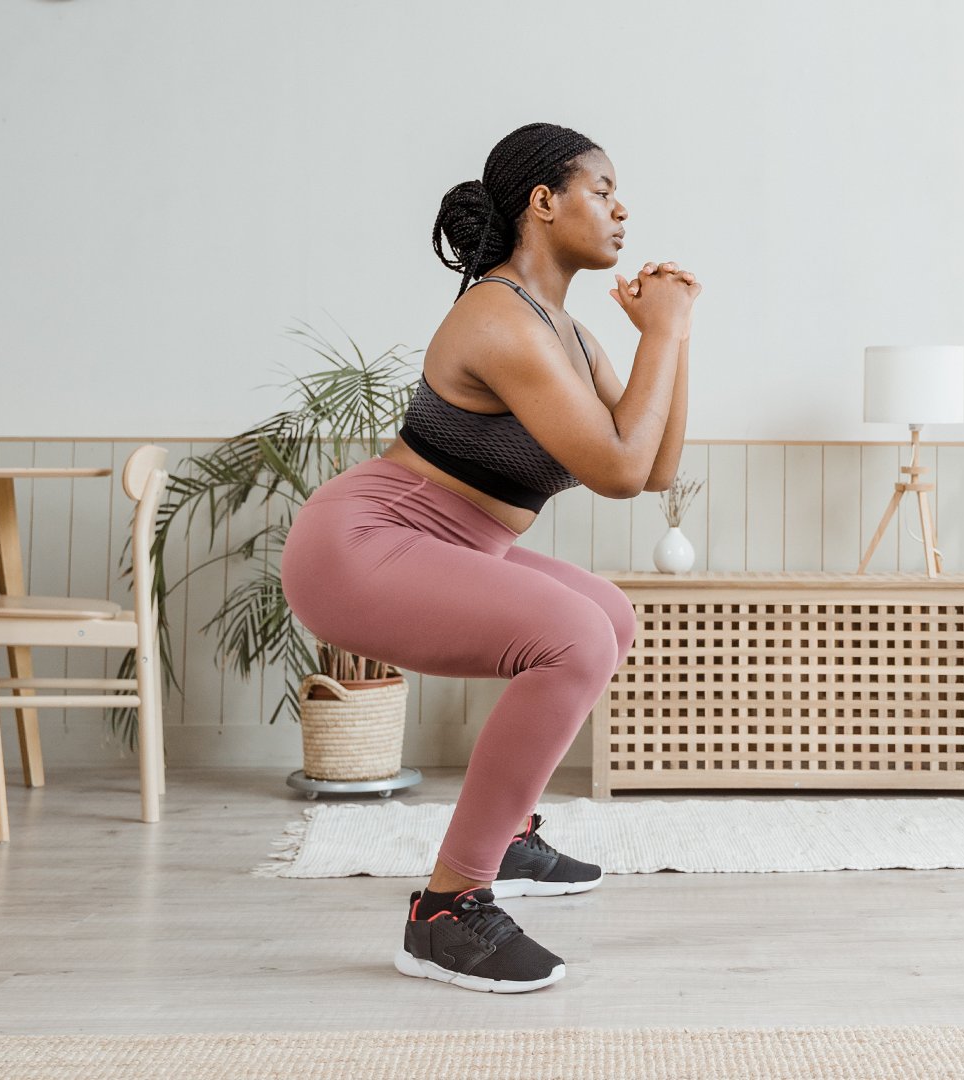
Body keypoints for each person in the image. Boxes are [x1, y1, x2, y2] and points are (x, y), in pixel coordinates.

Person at [280, 122, 699, 994]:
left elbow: (656, 466)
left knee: (607, 617)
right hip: (365, 544)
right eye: (602, 188)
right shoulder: (498, 318)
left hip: (451, 541)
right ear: (543, 203)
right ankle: (446, 910)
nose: (623, 208)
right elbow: (620, 472)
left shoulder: (571, 335)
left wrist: (675, 336)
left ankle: (505, 835)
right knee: (576, 637)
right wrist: (660, 333)